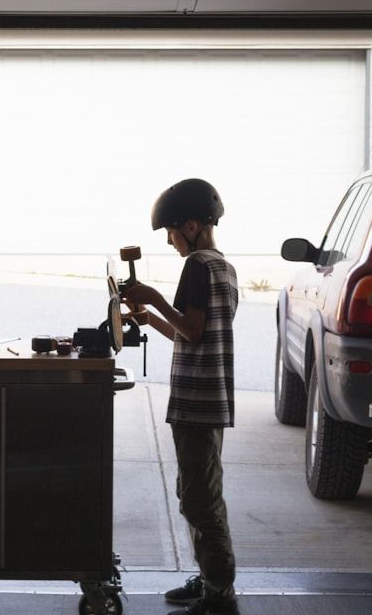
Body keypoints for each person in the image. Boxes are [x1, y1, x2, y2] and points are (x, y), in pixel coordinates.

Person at [120, 178, 239, 615]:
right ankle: (209, 579)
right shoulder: (223, 267)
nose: (169, 242)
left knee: (201, 501)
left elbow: (191, 329)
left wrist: (151, 294)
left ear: (190, 225)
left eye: (170, 232)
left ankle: (219, 596)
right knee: (196, 492)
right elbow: (191, 334)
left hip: (197, 402)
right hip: (210, 400)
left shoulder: (197, 266)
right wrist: (151, 316)